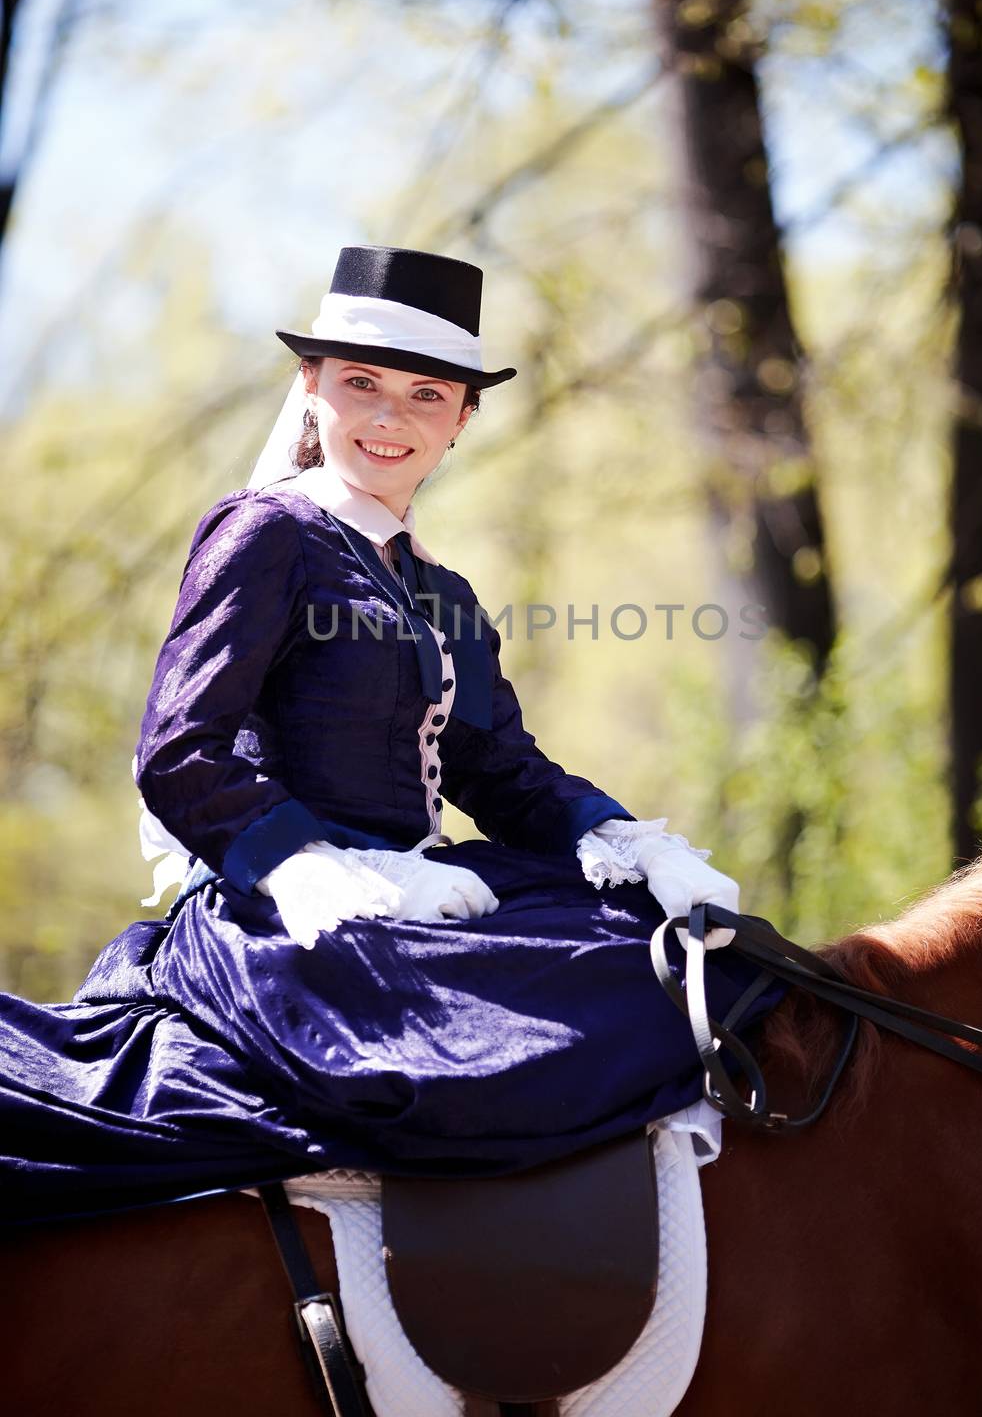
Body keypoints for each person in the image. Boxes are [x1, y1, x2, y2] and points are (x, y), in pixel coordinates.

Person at [0, 245, 785, 1224]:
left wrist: (624, 840)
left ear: (462, 419)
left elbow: (496, 768)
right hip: (287, 912)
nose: (386, 416)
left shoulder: (441, 593)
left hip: (426, 888)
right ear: (311, 389)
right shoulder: (265, 534)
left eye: (425, 394)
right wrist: (320, 868)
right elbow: (178, 753)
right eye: (360, 383)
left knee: (662, 960)